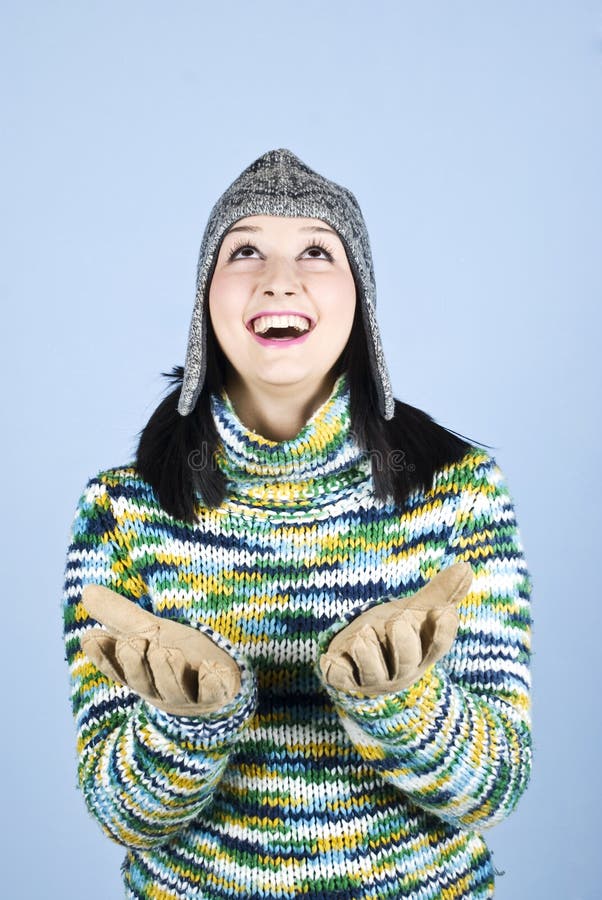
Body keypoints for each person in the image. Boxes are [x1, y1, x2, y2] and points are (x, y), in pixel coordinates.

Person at [62, 148, 533, 899]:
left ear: (362, 301)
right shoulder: (122, 510)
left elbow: (495, 792)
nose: (280, 278)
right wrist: (190, 721)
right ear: (204, 301)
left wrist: (401, 704)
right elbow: (122, 815)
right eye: (244, 250)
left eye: (318, 250)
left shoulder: (460, 491)